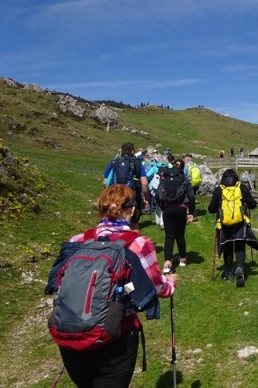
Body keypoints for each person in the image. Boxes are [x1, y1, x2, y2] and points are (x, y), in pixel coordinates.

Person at [58, 184, 177, 387]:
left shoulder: (78, 240)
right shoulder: (138, 244)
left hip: (70, 335)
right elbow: (157, 287)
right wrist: (171, 283)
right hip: (116, 336)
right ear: (131, 210)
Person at [208, 168, 258, 287]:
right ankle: (240, 267)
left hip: (224, 225)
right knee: (240, 245)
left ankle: (229, 273)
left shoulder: (219, 189)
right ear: (236, 178)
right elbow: (253, 205)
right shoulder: (241, 187)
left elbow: (211, 209)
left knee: (228, 247)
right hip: (240, 223)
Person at [103, 142, 150, 231]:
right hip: (132, 198)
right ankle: (134, 243)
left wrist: (110, 195)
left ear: (121, 151)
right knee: (134, 223)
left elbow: (105, 182)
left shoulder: (114, 162)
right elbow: (144, 183)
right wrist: (146, 199)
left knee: (113, 221)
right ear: (132, 151)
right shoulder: (138, 163)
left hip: (115, 198)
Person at [158, 158, 195, 274]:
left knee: (169, 237)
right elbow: (192, 197)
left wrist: (162, 206)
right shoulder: (184, 178)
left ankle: (167, 262)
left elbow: (158, 194)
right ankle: (182, 259)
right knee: (180, 235)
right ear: (182, 168)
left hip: (167, 208)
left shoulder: (165, 178)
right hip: (181, 208)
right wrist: (192, 212)